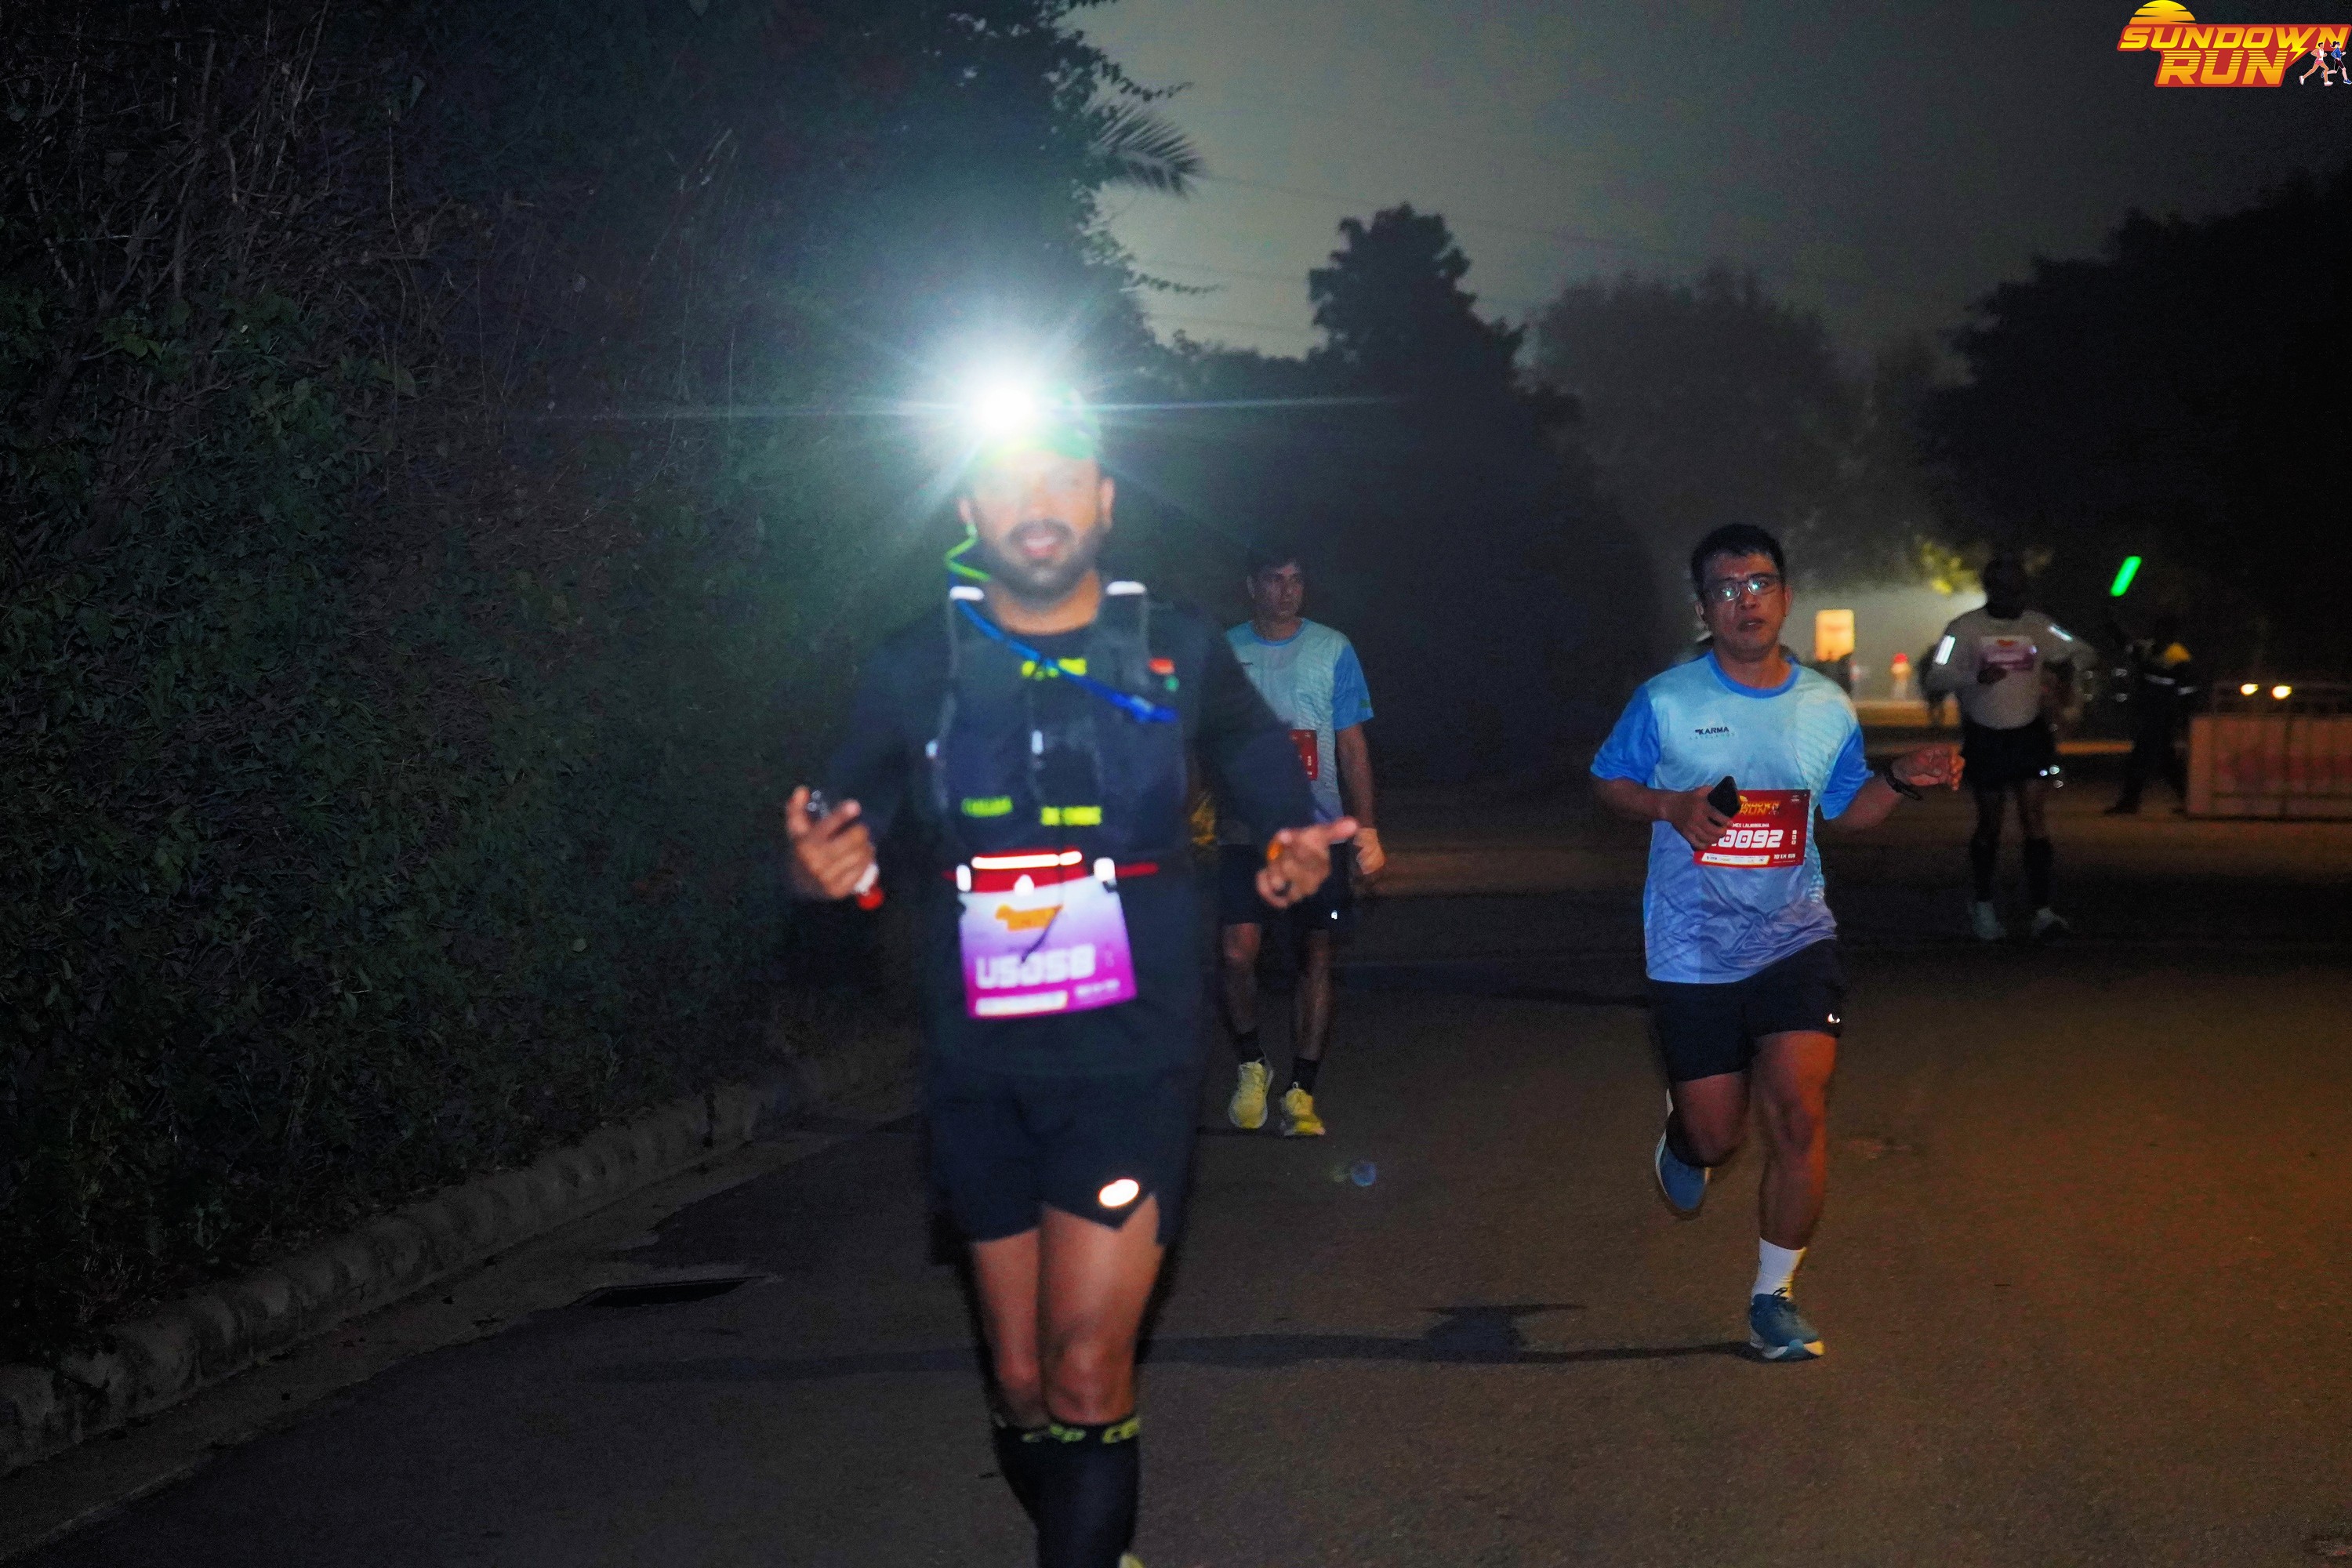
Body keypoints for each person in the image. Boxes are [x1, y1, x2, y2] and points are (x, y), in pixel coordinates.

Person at [786, 390, 1353, 1568]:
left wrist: (1298, 836)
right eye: (1009, 481)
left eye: (1061, 479)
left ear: (1102, 501)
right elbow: (841, 819)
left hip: (1131, 1056)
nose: (1036, 504)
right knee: (1024, 1377)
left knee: (1089, 1368)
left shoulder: (1174, 646)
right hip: (980, 1065)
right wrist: (819, 864)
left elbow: (1258, 758)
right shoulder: (915, 663)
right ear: (968, 509)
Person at [1590, 523, 1962, 1362]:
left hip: (1795, 937)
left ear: (1786, 597)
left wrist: (1901, 779)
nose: (1746, 601)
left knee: (1799, 1111)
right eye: (1726, 589)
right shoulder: (1666, 700)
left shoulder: (1825, 705)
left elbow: (1846, 808)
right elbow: (1607, 779)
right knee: (1719, 1136)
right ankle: (1687, 1138)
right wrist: (1669, 805)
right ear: (1704, 608)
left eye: (1760, 583)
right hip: (1689, 946)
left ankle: (1774, 1298)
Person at [1216, 544, 1384, 1138]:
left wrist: (1367, 828)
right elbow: (1203, 739)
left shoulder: (1333, 648)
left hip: (1318, 834)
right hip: (1246, 833)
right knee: (1237, 954)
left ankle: (1302, 1091)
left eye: (1296, 580)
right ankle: (1252, 1065)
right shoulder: (1225, 651)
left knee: (1316, 955)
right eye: (1274, 580)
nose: (1287, 591)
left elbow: (1352, 743)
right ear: (1251, 585)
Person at [1922, 554, 2085, 942]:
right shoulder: (1964, 628)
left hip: (2029, 733)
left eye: (2019, 589)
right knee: (1990, 822)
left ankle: (2042, 911)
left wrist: (2063, 672)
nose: (2013, 596)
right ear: (1989, 588)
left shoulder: (2038, 625)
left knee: (2034, 818)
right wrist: (1974, 677)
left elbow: (2079, 650)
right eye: (2005, 588)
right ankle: (1982, 904)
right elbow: (1936, 677)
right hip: (1986, 734)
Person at [2106, 613, 2198, 815]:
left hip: (2162, 714)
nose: (2158, 635)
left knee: (2142, 757)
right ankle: (2192, 801)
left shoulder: (2178, 656)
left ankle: (2130, 801)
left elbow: (2186, 690)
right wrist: (2114, 629)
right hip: (2150, 712)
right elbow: (2129, 647)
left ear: (2171, 634)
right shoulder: (2149, 649)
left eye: (2162, 631)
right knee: (2165, 760)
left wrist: (2184, 716)